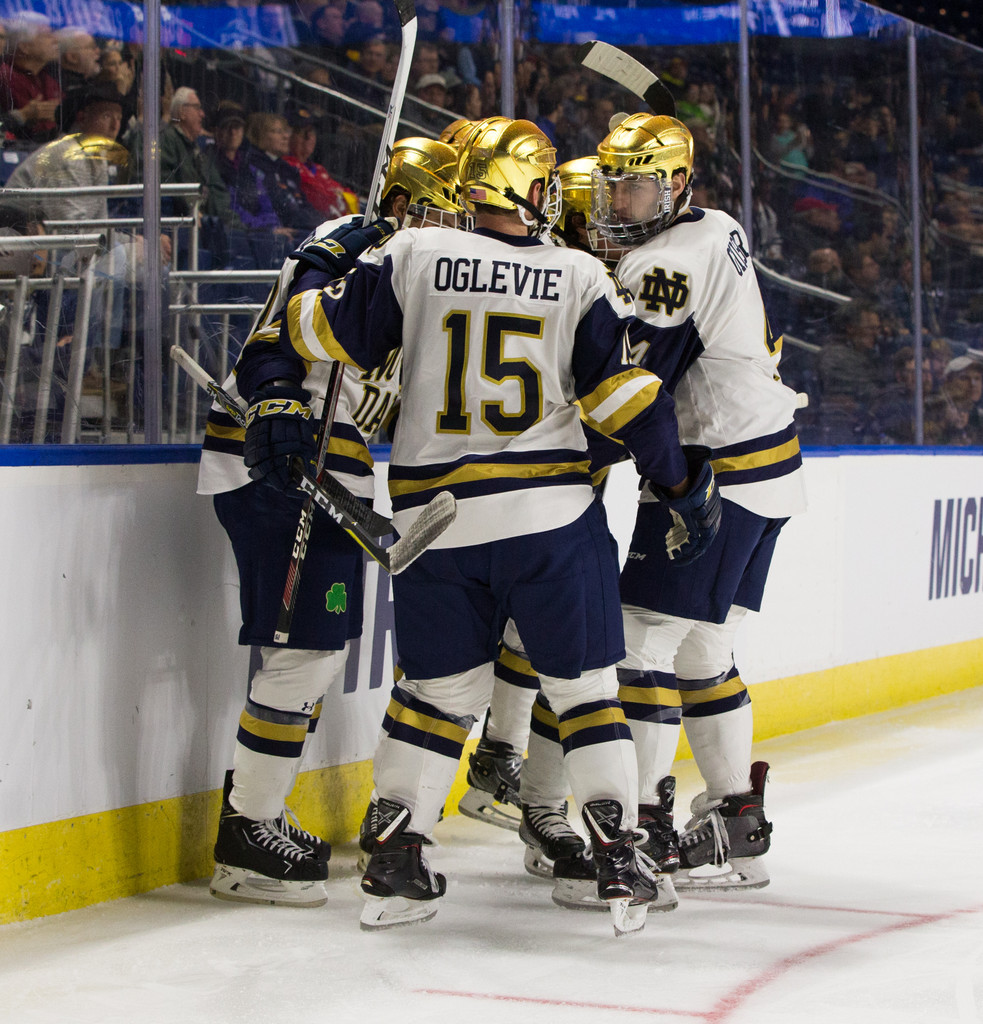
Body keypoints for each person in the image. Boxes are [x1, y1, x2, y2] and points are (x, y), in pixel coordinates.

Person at [249, 116, 721, 933]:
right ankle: (615, 852)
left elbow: (312, 332)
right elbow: (623, 400)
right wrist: (679, 484)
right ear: (534, 190)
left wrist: (320, 266)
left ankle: (396, 850)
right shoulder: (577, 273)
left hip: (434, 523)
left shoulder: (413, 256)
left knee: (435, 696)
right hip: (548, 515)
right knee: (583, 689)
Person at [197, 137, 463, 908]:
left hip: (335, 468)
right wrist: (279, 399)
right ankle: (247, 837)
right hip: (286, 458)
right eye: (445, 205)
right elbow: (269, 347)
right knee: (304, 651)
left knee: (315, 649)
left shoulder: (420, 265)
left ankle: (254, 818)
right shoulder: (347, 245)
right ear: (413, 201)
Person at [590, 113, 807, 891]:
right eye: (611, 180)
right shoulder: (715, 223)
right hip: (771, 467)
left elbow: (632, 392)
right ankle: (734, 815)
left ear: (676, 183)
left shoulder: (665, 265)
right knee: (702, 651)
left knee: (638, 643)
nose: (616, 197)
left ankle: (644, 825)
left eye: (634, 182)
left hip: (713, 477)